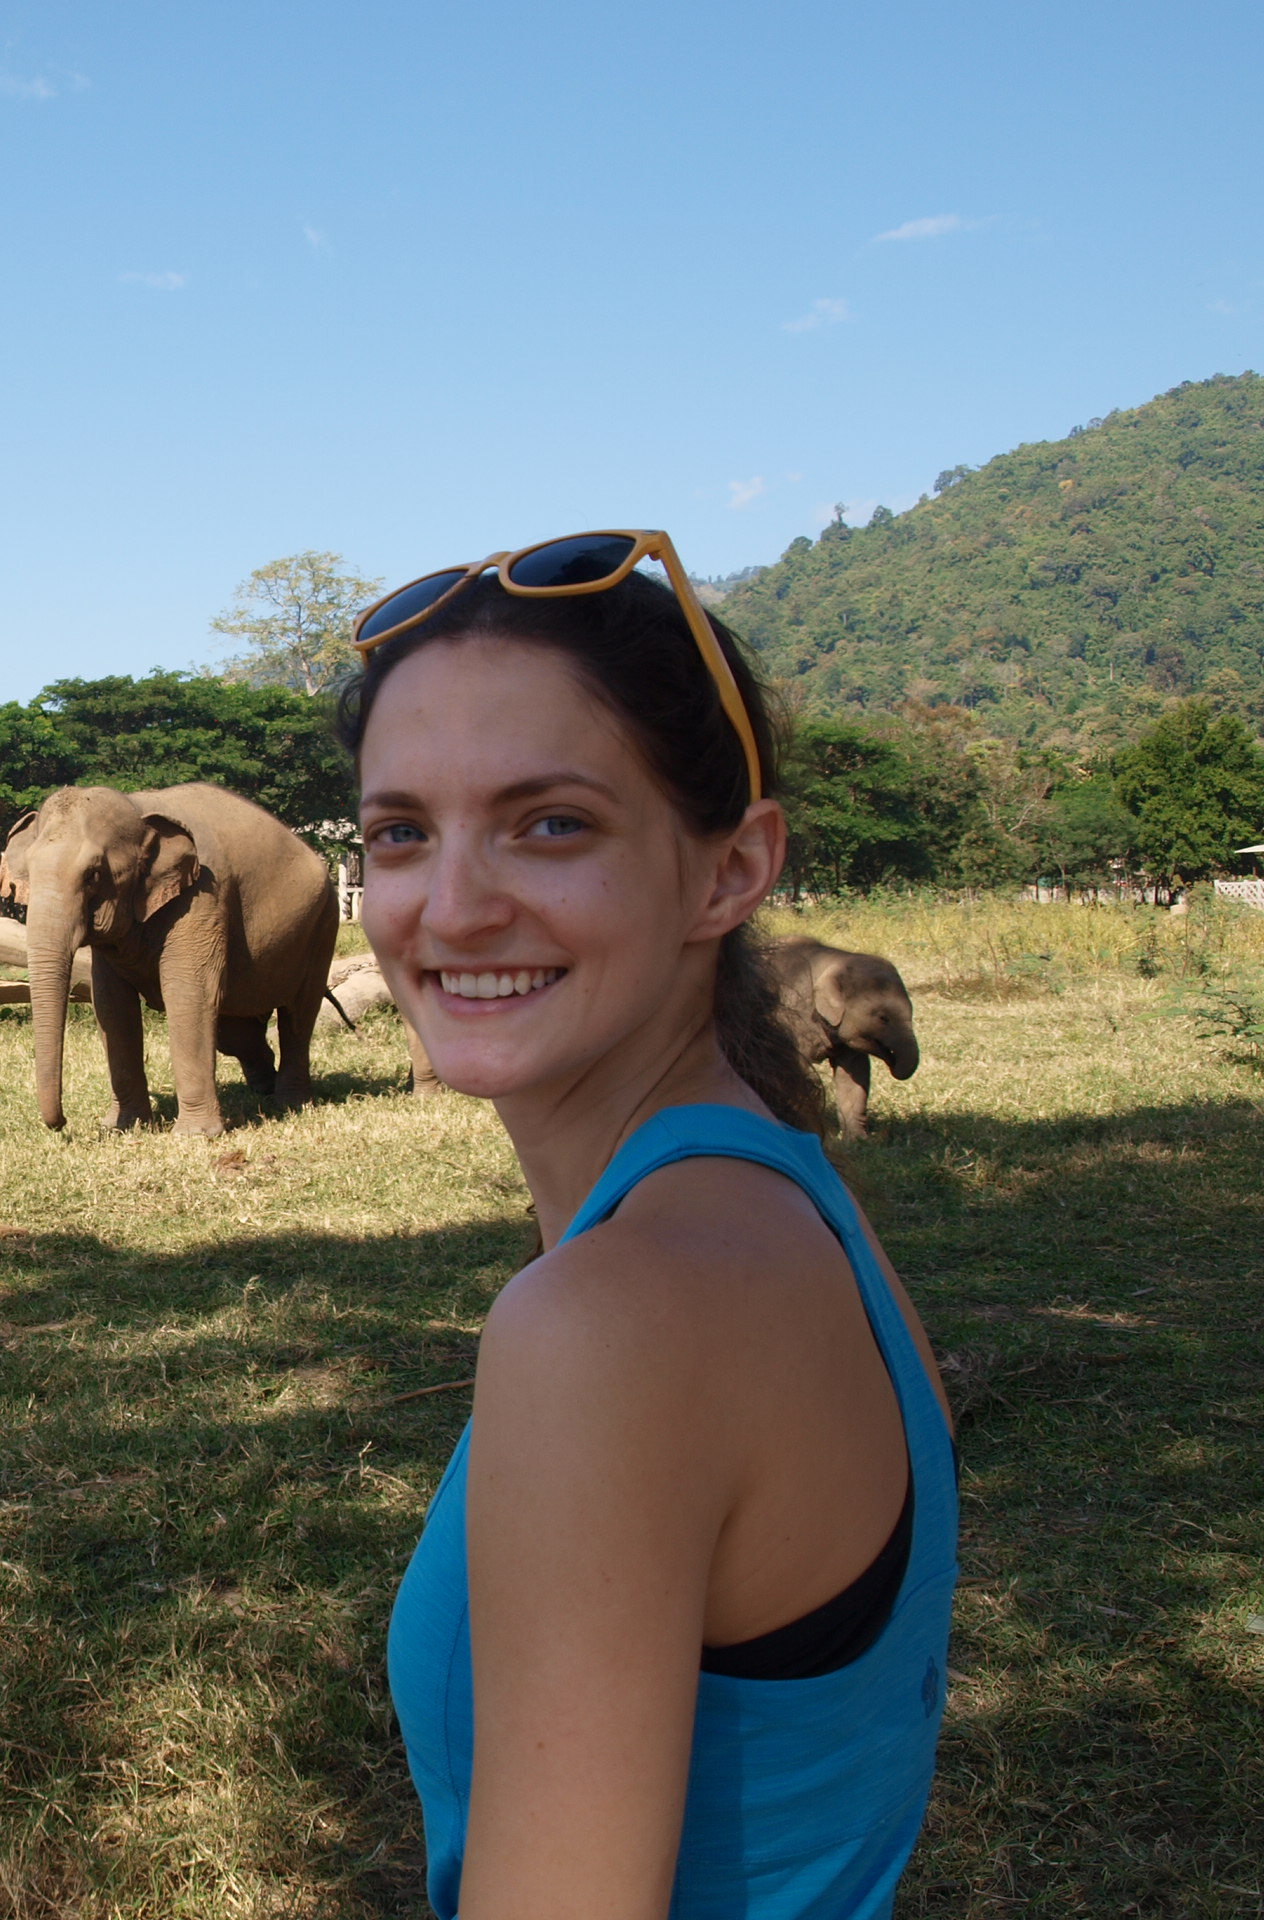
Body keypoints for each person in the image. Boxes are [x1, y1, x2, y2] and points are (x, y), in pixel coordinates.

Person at [342, 532, 956, 1919]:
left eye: (549, 822)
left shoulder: (611, 1322)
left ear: (732, 871)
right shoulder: (787, 1192)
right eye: (399, 833)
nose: (449, 906)